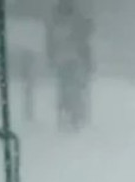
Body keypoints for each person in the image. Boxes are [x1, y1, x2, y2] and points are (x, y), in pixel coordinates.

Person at [46, 0, 93, 131]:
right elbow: (85, 34)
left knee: (67, 85)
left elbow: (51, 38)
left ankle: (69, 112)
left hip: (66, 58)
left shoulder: (59, 16)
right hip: (71, 58)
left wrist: (51, 56)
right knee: (72, 86)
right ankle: (73, 113)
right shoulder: (76, 15)